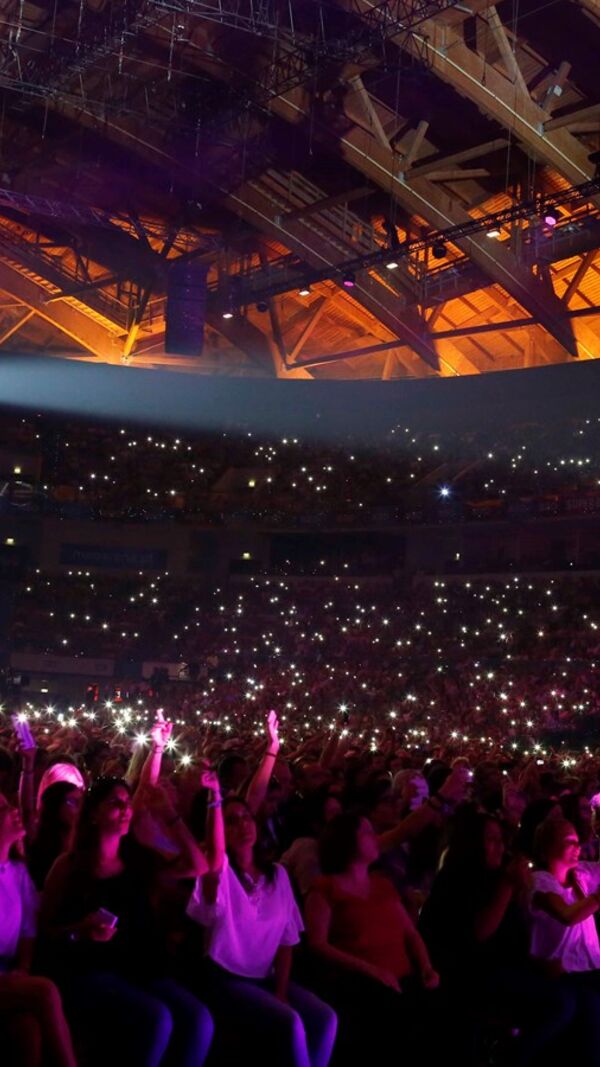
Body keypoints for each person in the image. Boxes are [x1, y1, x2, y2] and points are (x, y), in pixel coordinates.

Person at [40, 776, 214, 1067]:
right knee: (157, 1018)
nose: (125, 809)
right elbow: (46, 932)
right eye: (115, 803)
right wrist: (80, 931)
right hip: (92, 972)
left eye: (127, 803)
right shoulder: (70, 866)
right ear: (93, 813)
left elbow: (198, 865)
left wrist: (169, 813)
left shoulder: (139, 860)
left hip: (141, 969)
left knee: (200, 1019)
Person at [186, 769, 337, 1067]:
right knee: (290, 1023)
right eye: (232, 821)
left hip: (266, 979)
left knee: (325, 1018)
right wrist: (215, 797)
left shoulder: (277, 875)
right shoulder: (220, 872)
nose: (243, 824)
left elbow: (286, 941)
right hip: (226, 979)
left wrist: (281, 990)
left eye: (246, 817)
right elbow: (216, 852)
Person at [420, 808, 577, 1066]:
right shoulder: (454, 879)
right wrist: (508, 885)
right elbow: (479, 934)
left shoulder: (494, 876)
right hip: (468, 976)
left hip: (504, 969)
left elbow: (512, 939)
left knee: (580, 995)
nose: (500, 846)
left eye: (500, 839)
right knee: (561, 1003)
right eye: (491, 839)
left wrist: (538, 963)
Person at [304, 812, 439, 1061]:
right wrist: (372, 970)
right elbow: (317, 943)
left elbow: (410, 932)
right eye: (366, 831)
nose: (374, 836)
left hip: (402, 978)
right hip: (360, 984)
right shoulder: (325, 888)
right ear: (346, 841)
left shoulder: (382, 884)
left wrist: (427, 966)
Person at [0, 791, 78, 1067]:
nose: (14, 811)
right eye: (3, 808)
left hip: (9, 971)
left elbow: (28, 929)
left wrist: (23, 966)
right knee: (45, 992)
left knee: (28, 1030)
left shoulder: (17, 872)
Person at [28, 781, 83, 890]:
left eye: (81, 801)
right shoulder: (39, 850)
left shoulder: (87, 844)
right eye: (73, 802)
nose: (80, 806)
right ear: (55, 806)